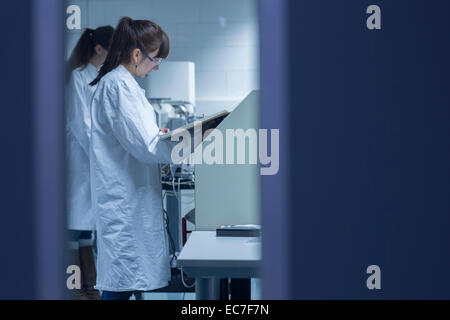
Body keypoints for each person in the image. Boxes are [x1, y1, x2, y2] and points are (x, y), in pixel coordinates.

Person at [89, 17, 173, 300]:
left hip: (130, 196)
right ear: (137, 54)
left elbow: (139, 136)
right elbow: (147, 147)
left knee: (126, 278)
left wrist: (157, 135)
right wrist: (185, 141)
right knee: (120, 280)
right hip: (123, 201)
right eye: (155, 59)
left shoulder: (125, 84)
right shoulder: (118, 86)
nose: (156, 66)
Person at [66, 25, 114, 300]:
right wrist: (101, 155)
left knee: (86, 229)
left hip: (93, 160)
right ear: (99, 49)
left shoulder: (99, 76)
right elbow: (80, 123)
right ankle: (76, 291)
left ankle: (90, 289)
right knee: (75, 226)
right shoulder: (77, 78)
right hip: (79, 160)